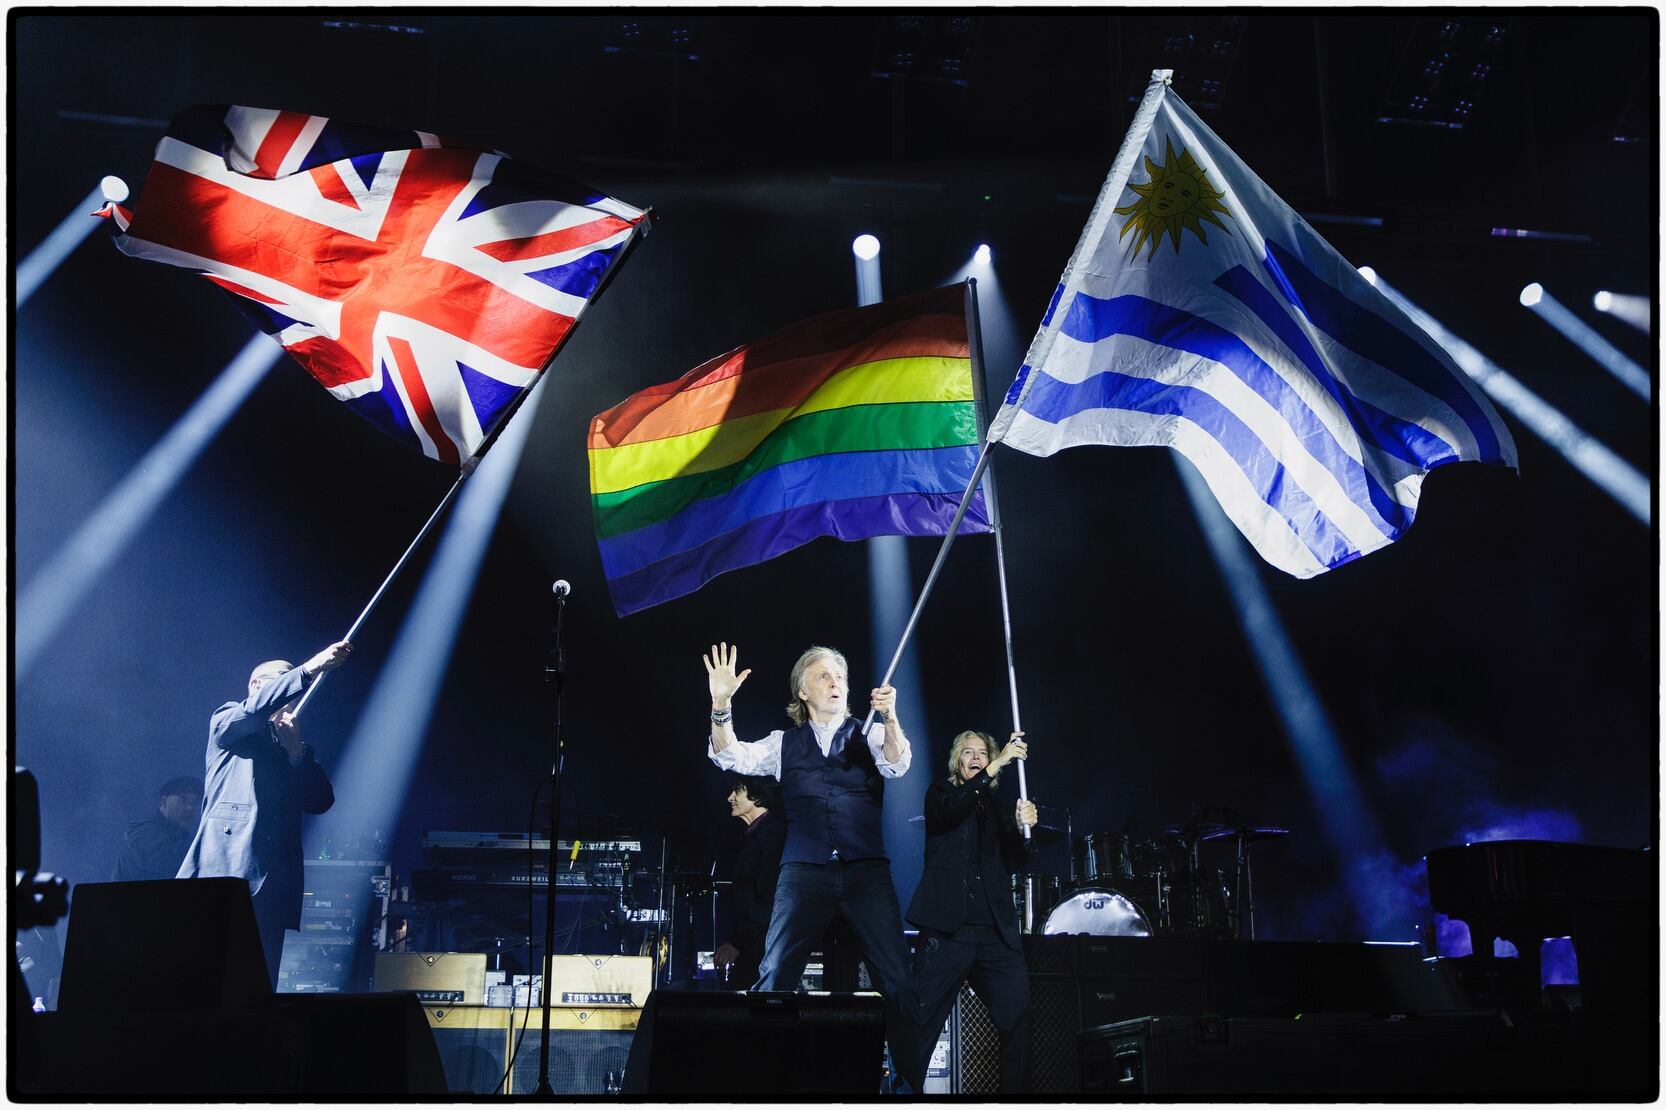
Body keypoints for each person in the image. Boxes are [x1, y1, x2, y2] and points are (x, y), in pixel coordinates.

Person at [704, 642, 921, 1089]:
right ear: (803, 692)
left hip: (865, 871)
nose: (835, 683)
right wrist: (721, 704)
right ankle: (759, 1086)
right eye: (824, 676)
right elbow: (730, 755)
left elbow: (899, 765)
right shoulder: (784, 743)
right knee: (775, 974)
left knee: (898, 981)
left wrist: (893, 717)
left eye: (840, 677)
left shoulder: (870, 733)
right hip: (804, 871)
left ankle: (906, 1088)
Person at [178, 641, 352, 988]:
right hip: (226, 870)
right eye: (281, 680)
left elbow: (321, 801)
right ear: (257, 686)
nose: (291, 692)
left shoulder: (291, 742)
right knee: (208, 979)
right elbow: (253, 712)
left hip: (273, 884)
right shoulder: (230, 721)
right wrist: (309, 668)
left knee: (257, 984)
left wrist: (297, 754)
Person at [907, 729, 1038, 1094]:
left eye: (983, 752)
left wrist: (1025, 828)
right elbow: (953, 809)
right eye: (969, 752)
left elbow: (1019, 859)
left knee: (1017, 1016)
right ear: (957, 761)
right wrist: (998, 763)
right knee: (920, 1021)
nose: (977, 757)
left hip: (995, 935)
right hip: (949, 932)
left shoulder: (996, 808)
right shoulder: (940, 794)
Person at [712, 775, 786, 989]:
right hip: (754, 943)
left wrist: (737, 943)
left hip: (760, 945)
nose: (729, 798)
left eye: (737, 791)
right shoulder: (757, 834)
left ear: (757, 797)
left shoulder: (772, 834)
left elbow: (767, 899)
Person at [113, 775, 203, 882]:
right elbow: (168, 861)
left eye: (195, 803)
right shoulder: (143, 832)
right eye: (183, 799)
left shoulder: (182, 836)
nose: (190, 807)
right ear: (163, 801)